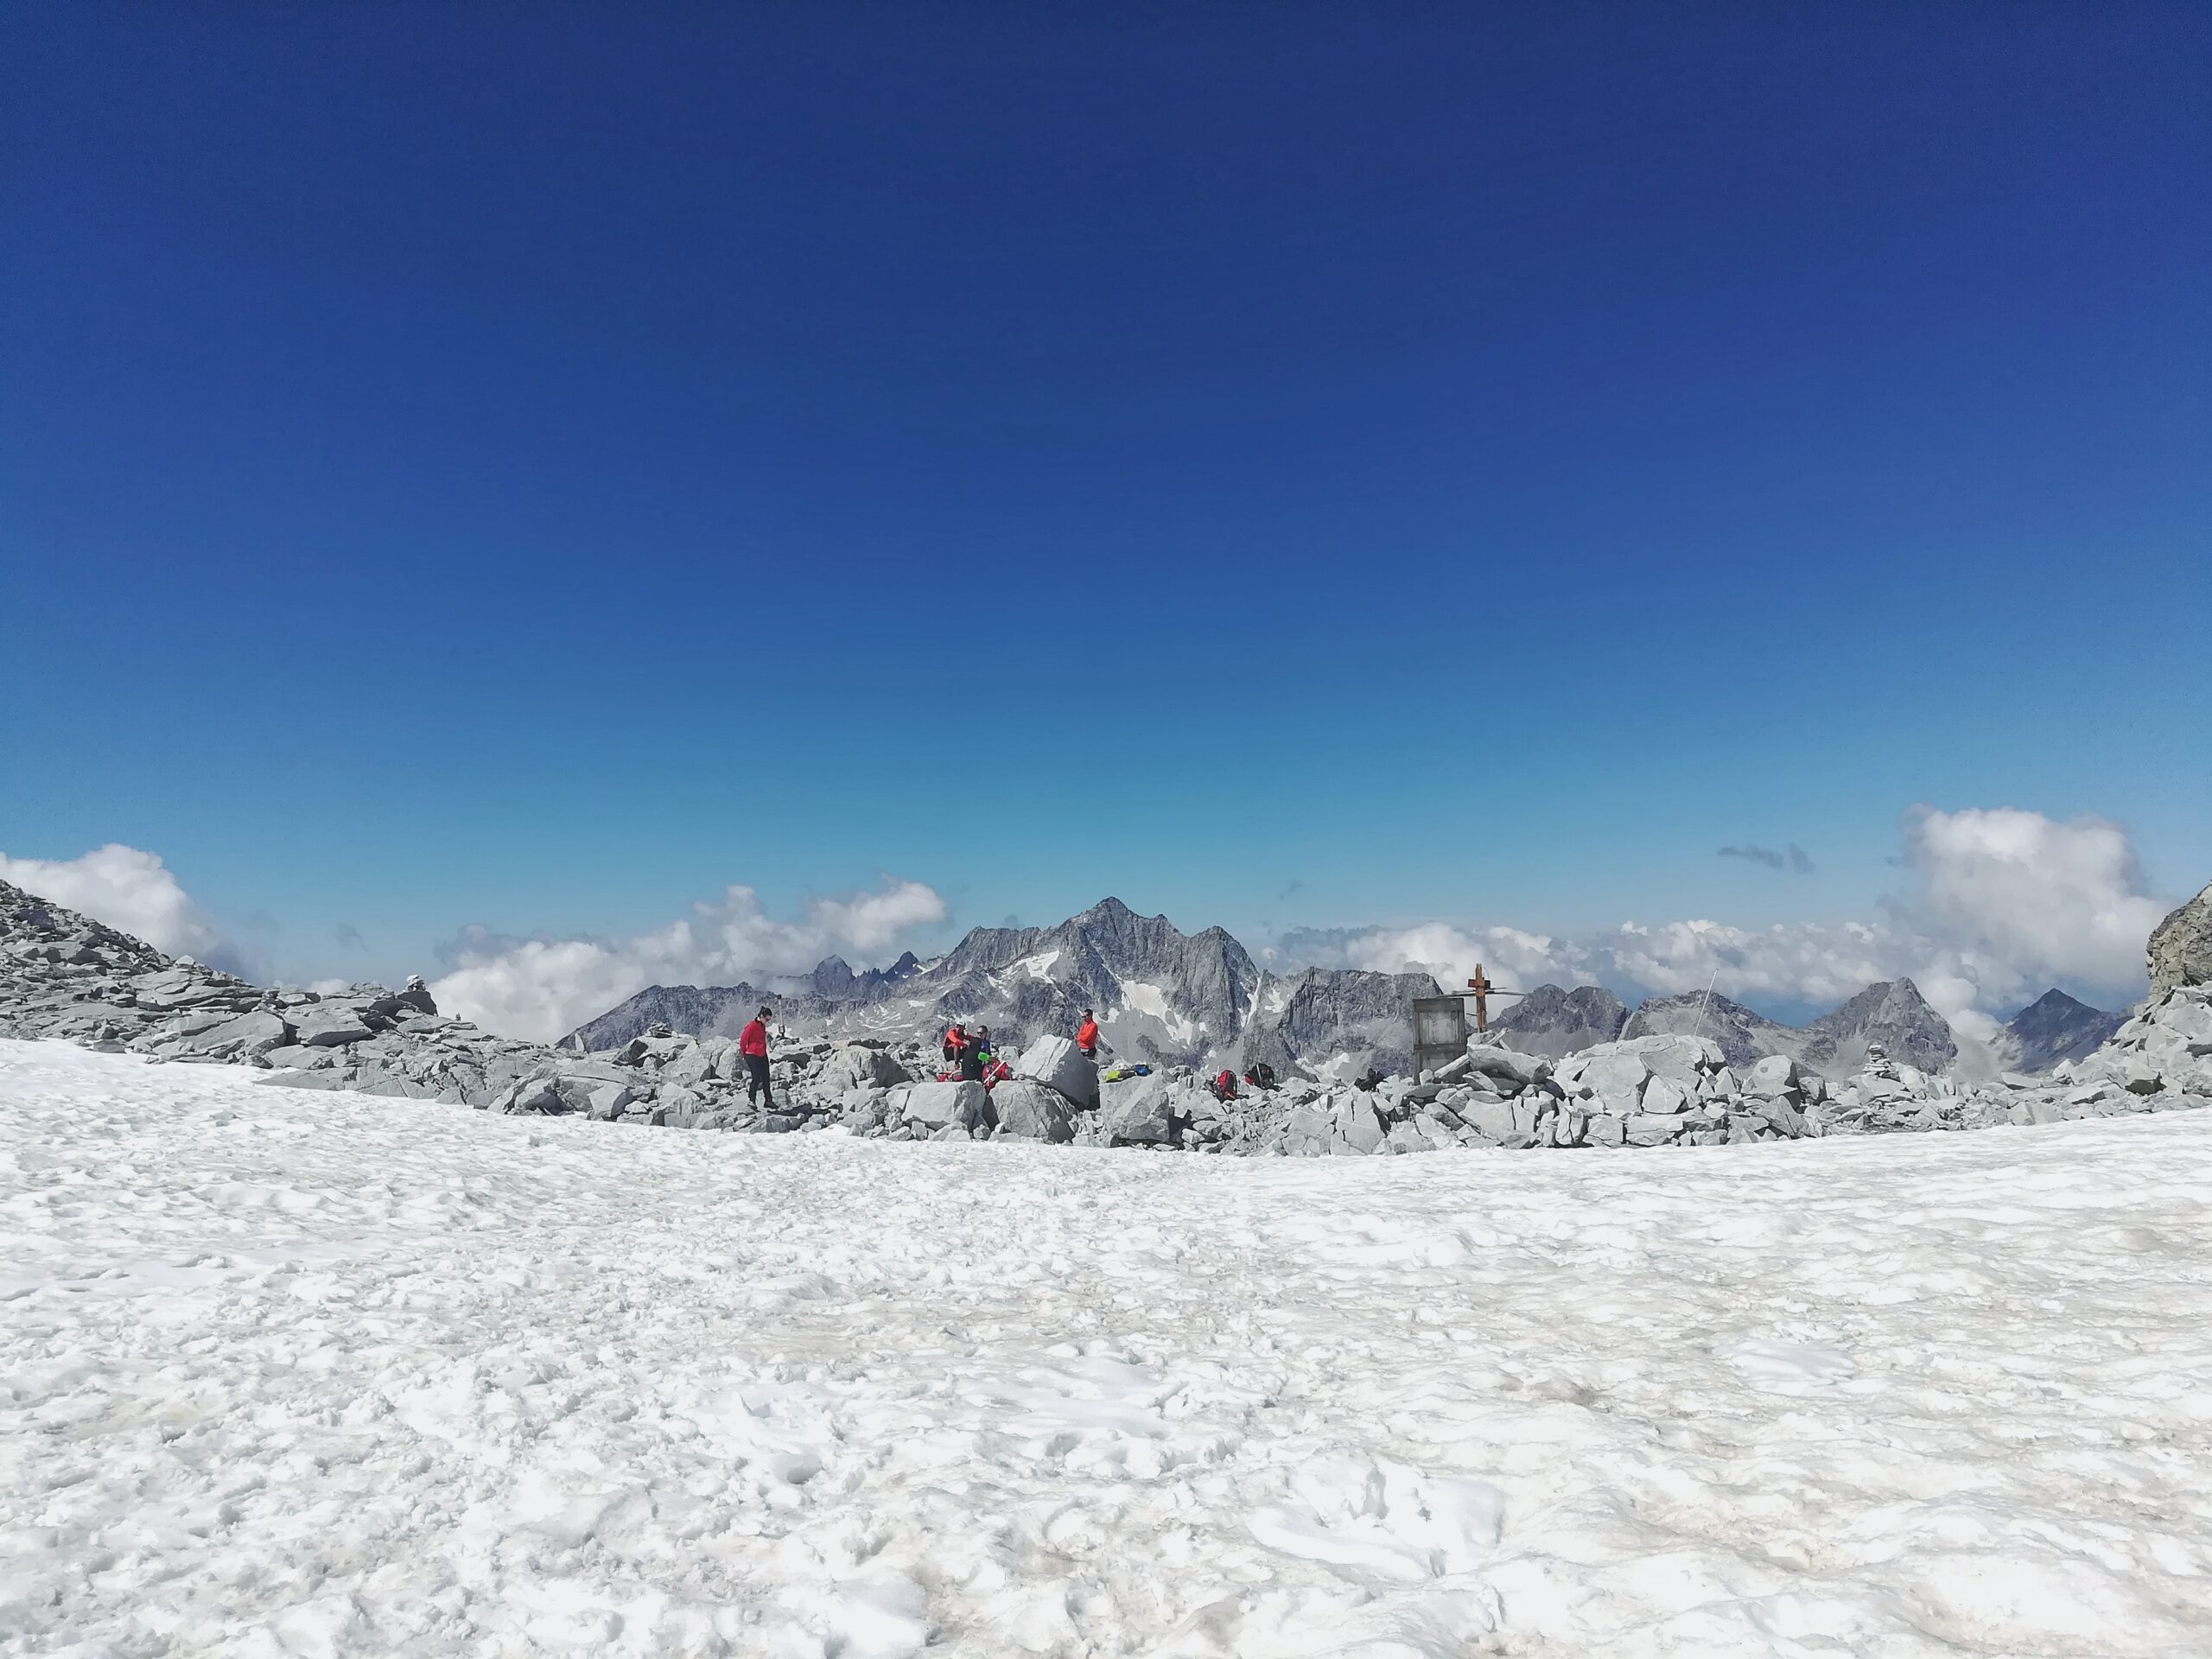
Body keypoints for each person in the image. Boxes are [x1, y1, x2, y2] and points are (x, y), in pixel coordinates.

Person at [739, 1004, 775, 1107]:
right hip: (752, 1054)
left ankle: (768, 1100)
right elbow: (743, 1040)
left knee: (766, 1077)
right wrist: (743, 1053)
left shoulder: (762, 1026)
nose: (768, 1022)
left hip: (762, 1054)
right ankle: (751, 1100)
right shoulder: (751, 1025)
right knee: (756, 1077)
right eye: (767, 1019)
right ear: (762, 1016)